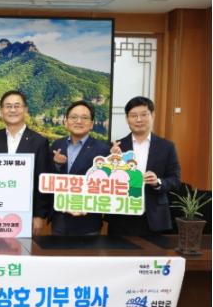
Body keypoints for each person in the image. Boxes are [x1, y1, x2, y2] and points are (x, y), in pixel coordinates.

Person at [0, 90, 50, 235]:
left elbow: (41, 179)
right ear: (1, 110)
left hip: (25, 210)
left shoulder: (39, 141)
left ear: (25, 110)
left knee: (21, 247)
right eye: (8, 106)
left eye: (17, 106)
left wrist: (39, 215)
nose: (12, 110)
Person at [107, 96, 181, 235]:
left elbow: (175, 180)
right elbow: (105, 180)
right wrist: (111, 160)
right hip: (121, 215)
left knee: (153, 250)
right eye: (133, 115)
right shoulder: (116, 146)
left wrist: (158, 182)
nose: (139, 119)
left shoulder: (167, 147)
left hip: (153, 216)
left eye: (143, 114)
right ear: (127, 119)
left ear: (152, 115)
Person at [50, 100, 109, 236]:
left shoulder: (103, 150)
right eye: (74, 117)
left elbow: (106, 186)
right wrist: (57, 165)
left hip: (87, 221)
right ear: (66, 121)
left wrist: (87, 206)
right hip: (60, 219)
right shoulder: (57, 145)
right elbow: (48, 177)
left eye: (84, 118)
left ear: (91, 124)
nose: (78, 121)